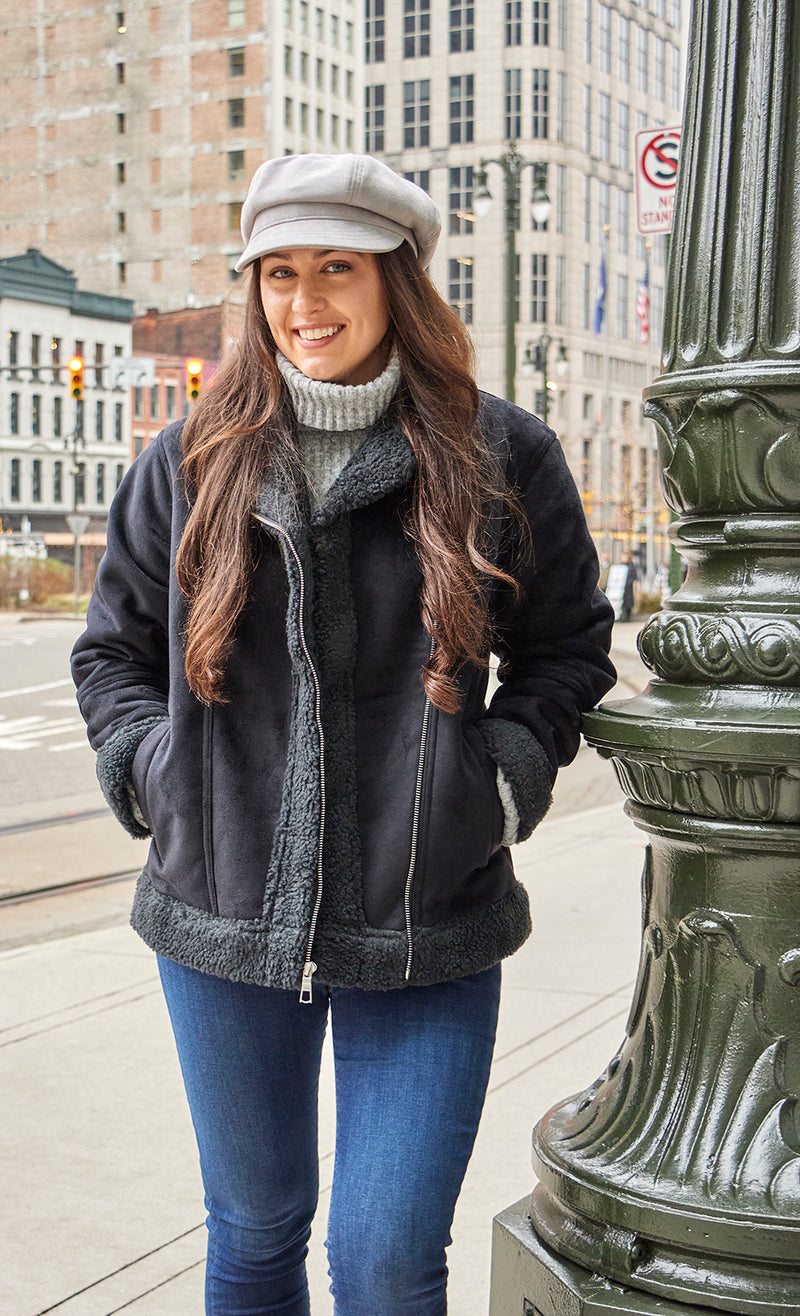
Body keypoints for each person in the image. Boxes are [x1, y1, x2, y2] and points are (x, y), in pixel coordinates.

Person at [71, 153, 616, 1316]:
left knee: (381, 1256)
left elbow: (566, 648)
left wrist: (496, 788)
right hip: (218, 922)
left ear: (395, 281)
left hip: (428, 924)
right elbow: (112, 651)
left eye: (336, 269)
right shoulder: (190, 458)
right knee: (255, 1233)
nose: (304, 302)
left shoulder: (498, 453)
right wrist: (155, 774)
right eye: (278, 272)